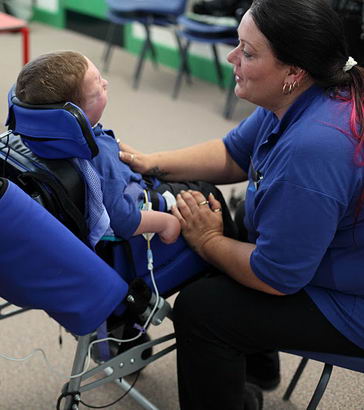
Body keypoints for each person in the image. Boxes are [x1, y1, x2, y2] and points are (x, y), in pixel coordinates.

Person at [118, 0, 364, 408]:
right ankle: (258, 368)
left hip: (352, 304)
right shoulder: (303, 95)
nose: (232, 57)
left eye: (248, 53)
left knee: (203, 310)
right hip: (325, 262)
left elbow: (277, 276)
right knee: (209, 200)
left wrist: (208, 241)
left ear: (292, 72)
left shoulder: (314, 147)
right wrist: (150, 161)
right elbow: (234, 153)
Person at [15, 51, 236, 248]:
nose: (107, 83)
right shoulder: (98, 157)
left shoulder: (40, 137)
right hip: (144, 205)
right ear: (73, 115)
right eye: (98, 86)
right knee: (206, 190)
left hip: (124, 182)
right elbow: (123, 220)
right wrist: (166, 223)